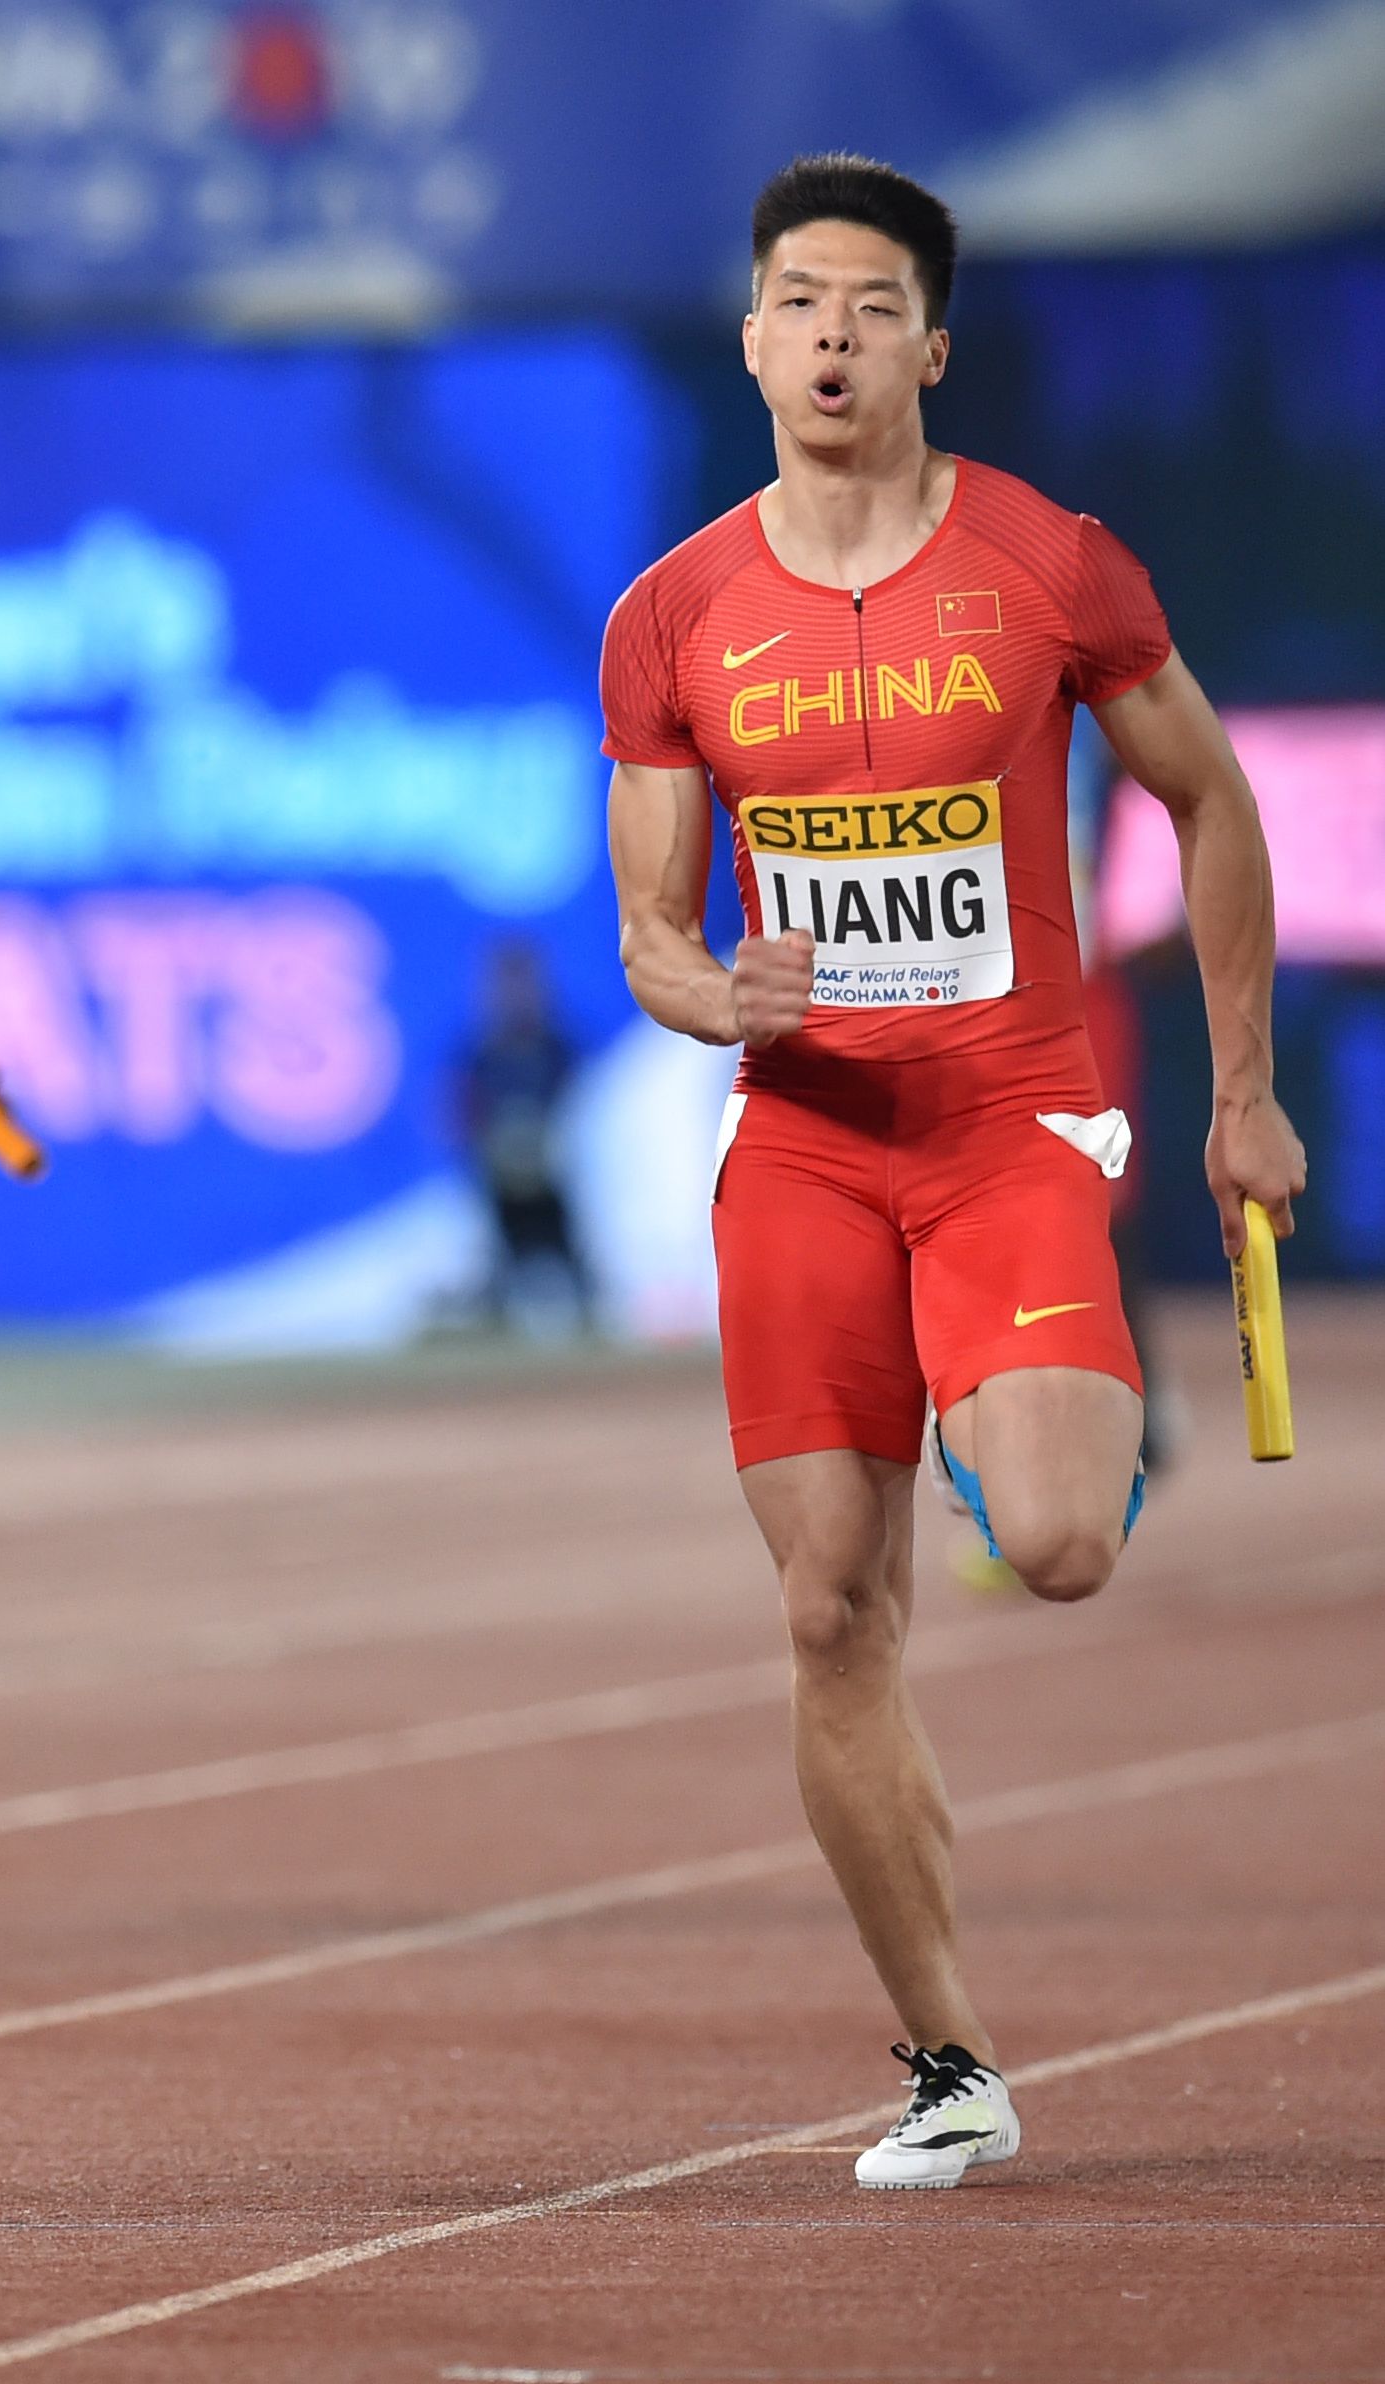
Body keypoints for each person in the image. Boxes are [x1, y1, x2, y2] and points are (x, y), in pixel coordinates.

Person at [601, 157, 1304, 2189]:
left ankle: (1025, 1396)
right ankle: (947, 2059)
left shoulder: (1050, 562)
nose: (830, 331)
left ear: (931, 344)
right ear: (753, 339)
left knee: (1067, 1543)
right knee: (834, 1616)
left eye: (869, 303)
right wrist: (710, 990)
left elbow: (1210, 798)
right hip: (807, 1153)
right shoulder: (675, 612)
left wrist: (1237, 1087)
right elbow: (648, 923)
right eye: (797, 298)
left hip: (1010, 1126)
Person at [454, 936, 597, 1335]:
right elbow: (463, 1114)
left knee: (574, 1258)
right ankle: (495, 1331)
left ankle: (591, 1324)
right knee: (497, 1262)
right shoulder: (482, 1055)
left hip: (555, 1180)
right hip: (500, 1183)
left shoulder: (560, 1050)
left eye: (524, 981)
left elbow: (588, 1114)